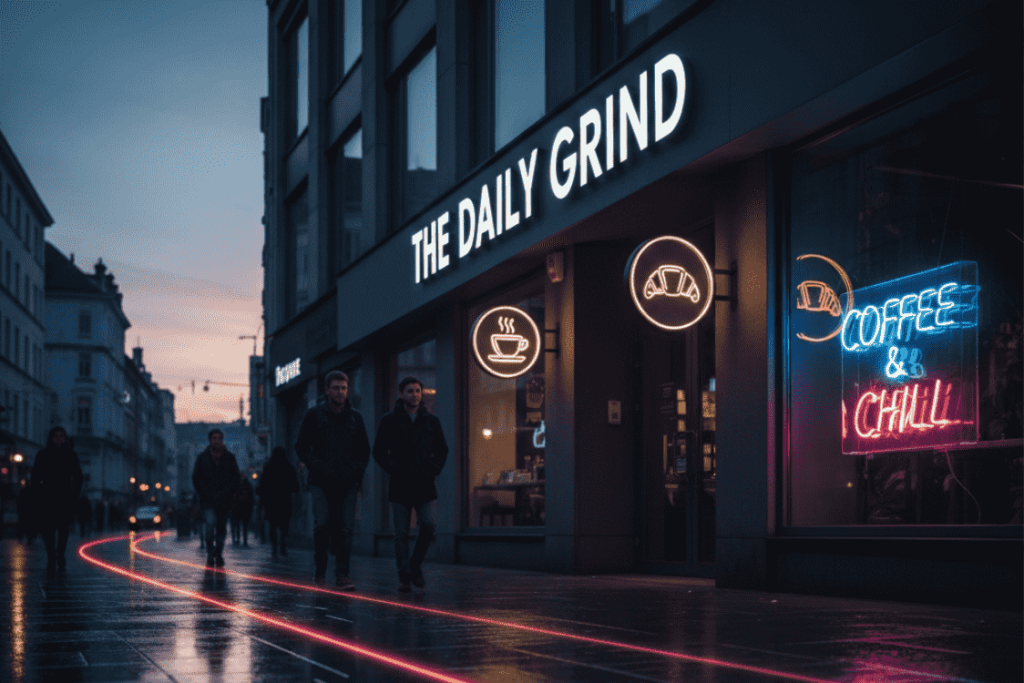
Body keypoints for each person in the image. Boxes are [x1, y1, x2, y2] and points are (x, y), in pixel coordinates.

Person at [295, 370, 371, 589]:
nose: (340, 392)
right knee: (323, 524)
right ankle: (320, 569)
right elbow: (301, 447)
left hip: (347, 482)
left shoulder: (355, 417)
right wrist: (318, 466)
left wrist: (355, 473)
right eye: (336, 388)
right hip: (321, 481)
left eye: (344, 388)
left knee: (346, 528)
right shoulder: (314, 415)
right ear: (327, 390)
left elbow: (364, 450)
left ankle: (342, 574)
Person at [372, 377, 449, 592]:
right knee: (401, 533)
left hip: (425, 483)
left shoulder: (431, 421)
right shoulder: (389, 420)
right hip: (400, 484)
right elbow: (378, 451)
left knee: (429, 525)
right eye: (409, 391)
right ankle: (404, 577)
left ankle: (414, 566)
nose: (414, 395)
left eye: (417, 391)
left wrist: (433, 469)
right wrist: (394, 469)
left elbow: (442, 449)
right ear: (401, 394)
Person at [32, 426, 84, 572]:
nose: (59, 439)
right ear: (51, 438)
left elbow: (78, 476)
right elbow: (35, 476)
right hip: (47, 497)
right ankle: (51, 556)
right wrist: (38, 492)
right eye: (56, 436)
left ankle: (60, 554)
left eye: (61, 436)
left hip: (65, 497)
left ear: (65, 438)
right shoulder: (43, 454)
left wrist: (74, 494)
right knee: (47, 529)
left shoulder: (70, 455)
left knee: (63, 529)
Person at [192, 429, 240, 568]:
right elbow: (196, 478)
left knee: (221, 529)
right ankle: (210, 553)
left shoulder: (230, 458)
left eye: (219, 438)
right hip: (208, 500)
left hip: (224, 501)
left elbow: (235, 478)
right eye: (214, 438)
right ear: (210, 440)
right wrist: (204, 493)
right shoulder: (202, 458)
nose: (217, 441)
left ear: (222, 440)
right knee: (209, 525)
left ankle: (218, 553)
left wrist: (227, 493)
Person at [256, 446, 299, 558]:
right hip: (285, 501)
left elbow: (263, 484)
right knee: (284, 525)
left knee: (273, 525)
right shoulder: (289, 467)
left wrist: (261, 498)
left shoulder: (268, 467)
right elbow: (295, 486)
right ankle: (283, 545)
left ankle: (274, 547)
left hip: (271, 502)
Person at [230, 473, 254, 546]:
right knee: (240, 525)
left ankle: (242, 540)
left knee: (242, 525)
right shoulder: (245, 485)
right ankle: (240, 539)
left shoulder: (239, 484)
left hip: (242, 508)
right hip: (239, 508)